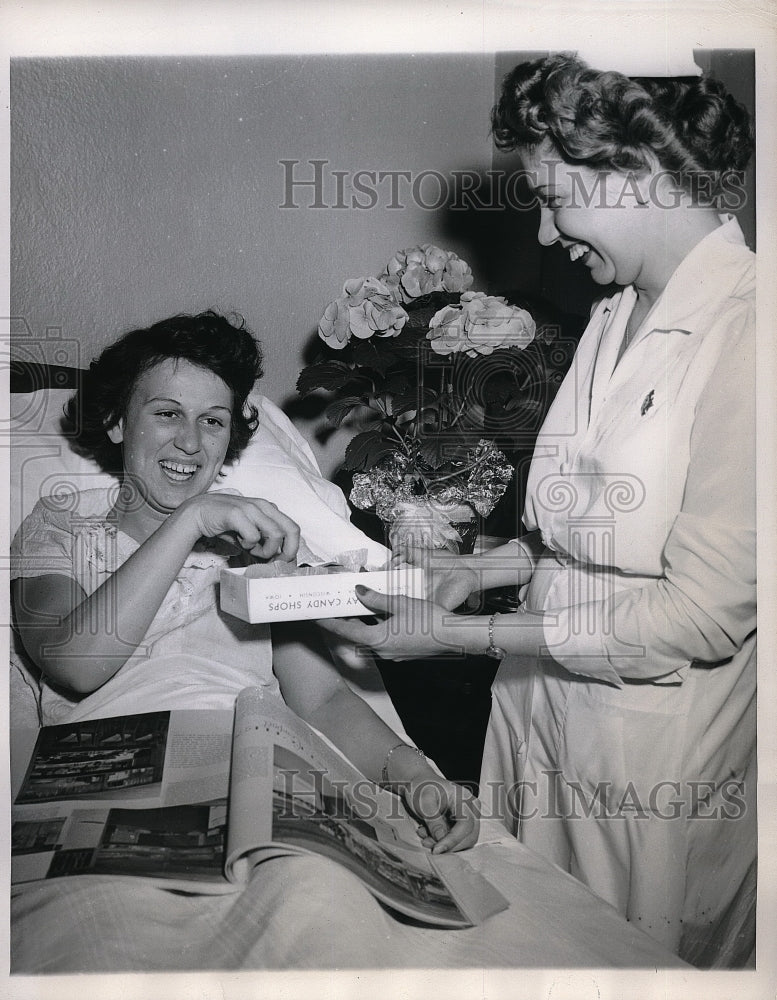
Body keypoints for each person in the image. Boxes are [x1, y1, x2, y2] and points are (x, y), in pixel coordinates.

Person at [321, 56, 757, 965]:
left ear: (633, 170)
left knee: (629, 958)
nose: (548, 231)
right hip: (536, 710)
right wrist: (476, 570)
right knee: (529, 944)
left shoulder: (749, 328)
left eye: (555, 197)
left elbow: (698, 614)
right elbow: (574, 534)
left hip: (649, 745)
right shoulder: (615, 311)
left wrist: (459, 638)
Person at [10, 310, 477, 854]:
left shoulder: (262, 543)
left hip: (253, 769)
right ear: (117, 422)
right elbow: (76, 665)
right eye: (167, 413)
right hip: (108, 781)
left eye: (212, 420)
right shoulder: (60, 525)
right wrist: (191, 520)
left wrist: (415, 777)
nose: (190, 442)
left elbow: (323, 700)